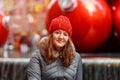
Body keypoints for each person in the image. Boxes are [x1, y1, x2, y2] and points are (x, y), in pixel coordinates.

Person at [26, 15, 82, 80]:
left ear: (68, 38)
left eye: (65, 34)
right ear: (51, 35)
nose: (61, 37)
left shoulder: (77, 58)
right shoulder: (37, 56)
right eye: (57, 33)